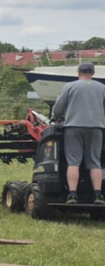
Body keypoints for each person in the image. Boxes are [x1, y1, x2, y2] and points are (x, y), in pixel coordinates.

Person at [51, 61, 105, 204]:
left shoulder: (69, 86)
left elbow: (58, 110)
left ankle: (72, 194)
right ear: (93, 73)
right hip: (96, 127)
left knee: (73, 162)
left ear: (78, 73)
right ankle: (98, 194)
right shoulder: (102, 88)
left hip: (73, 127)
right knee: (95, 162)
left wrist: (57, 116)